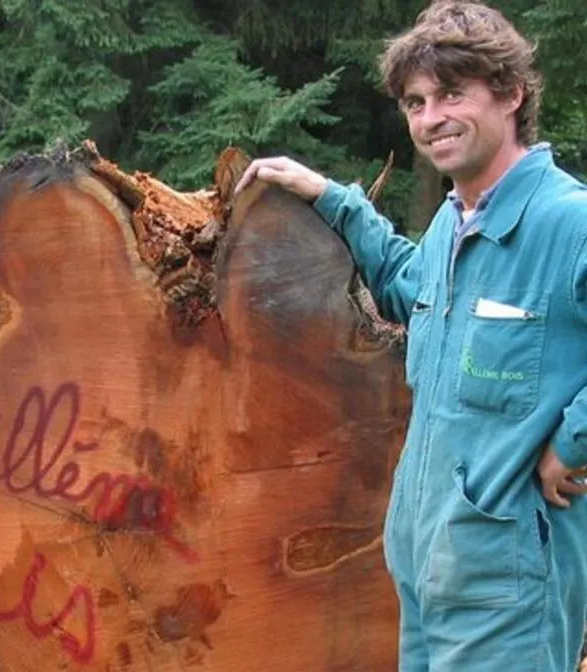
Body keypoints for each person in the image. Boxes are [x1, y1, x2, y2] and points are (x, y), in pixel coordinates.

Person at [235, 1, 587, 670]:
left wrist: (572, 442)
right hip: (427, 570)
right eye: (415, 102)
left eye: (452, 94)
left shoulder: (568, 224)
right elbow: (407, 285)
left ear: (511, 93)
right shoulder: (455, 224)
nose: (430, 118)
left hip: (508, 586)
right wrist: (331, 198)